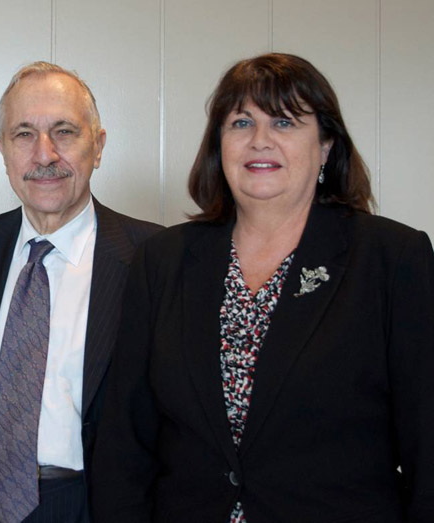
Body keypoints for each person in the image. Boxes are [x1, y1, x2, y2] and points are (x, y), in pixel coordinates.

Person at [91, 52, 434, 522]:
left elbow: (427, 443)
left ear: (327, 145)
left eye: (284, 123)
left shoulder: (392, 258)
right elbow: (124, 443)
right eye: (240, 123)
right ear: (219, 144)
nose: (260, 141)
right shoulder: (163, 261)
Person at [0, 61, 163, 523]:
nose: (44, 155)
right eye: (24, 134)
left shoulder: (154, 257)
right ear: (3, 150)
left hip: (89, 505)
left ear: (98, 145)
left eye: (64, 131)